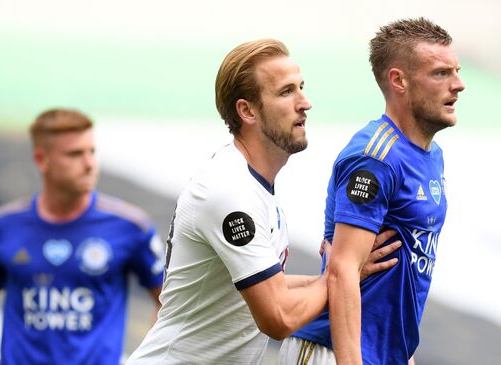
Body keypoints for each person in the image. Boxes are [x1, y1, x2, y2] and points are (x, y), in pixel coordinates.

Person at [126, 39, 401, 365]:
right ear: (247, 111)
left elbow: (266, 284)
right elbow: (278, 318)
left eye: (301, 87)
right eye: (286, 92)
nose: (305, 103)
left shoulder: (253, 186)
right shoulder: (230, 191)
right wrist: (341, 276)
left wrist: (342, 274)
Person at [282, 17, 466, 364]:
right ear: (399, 80)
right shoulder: (376, 158)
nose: (458, 84)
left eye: (456, 71)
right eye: (441, 73)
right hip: (334, 351)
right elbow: (342, 270)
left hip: (383, 355)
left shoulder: (431, 155)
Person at [0, 108, 165, 365]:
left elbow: (168, 302)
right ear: (42, 160)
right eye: (75, 154)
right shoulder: (3, 227)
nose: (89, 163)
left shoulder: (130, 227)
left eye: (92, 151)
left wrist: (148, 360)